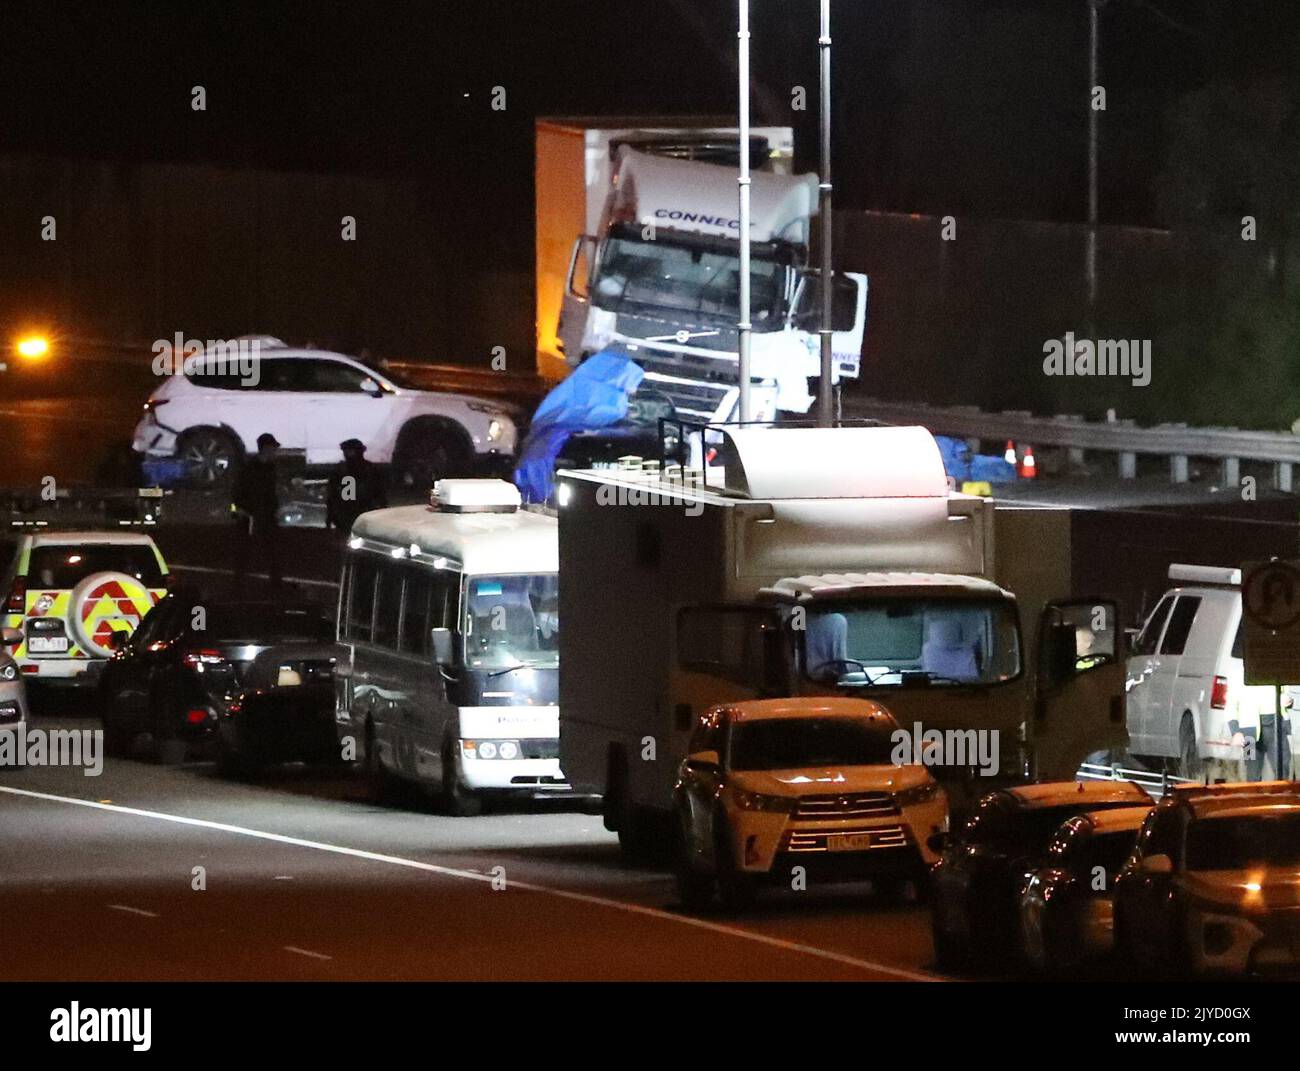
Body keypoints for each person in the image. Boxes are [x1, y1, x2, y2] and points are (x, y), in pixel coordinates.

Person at [231, 432, 282, 589]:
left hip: (265, 514)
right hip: (250, 515)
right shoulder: (251, 468)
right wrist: (240, 510)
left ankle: (275, 582)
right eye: (273, 448)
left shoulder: (268, 467)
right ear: (266, 448)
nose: (275, 452)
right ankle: (239, 582)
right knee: (246, 549)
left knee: (272, 549)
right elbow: (239, 492)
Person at [1229, 680, 1293, 781]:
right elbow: (1230, 706)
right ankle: (1252, 796)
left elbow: (1286, 693)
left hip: (1277, 728)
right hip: (1248, 733)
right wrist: (1235, 731)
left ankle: (1282, 796)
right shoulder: (1240, 674)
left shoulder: (1277, 669)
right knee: (1252, 773)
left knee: (1283, 771)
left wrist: (1288, 700)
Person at [326, 438, 388, 535]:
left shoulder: (370, 469)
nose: (347, 454)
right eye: (345, 451)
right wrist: (331, 515)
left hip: (364, 511)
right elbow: (332, 494)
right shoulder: (340, 469)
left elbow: (380, 492)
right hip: (346, 513)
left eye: (350, 451)